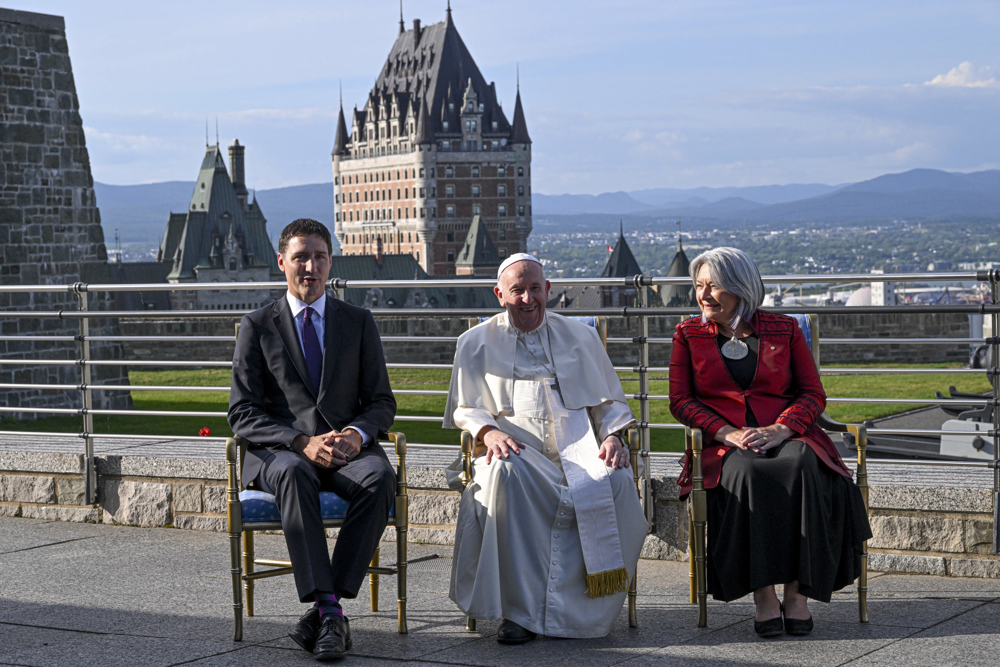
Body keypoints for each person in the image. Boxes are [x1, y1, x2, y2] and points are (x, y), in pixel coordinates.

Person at [444, 253, 648, 643]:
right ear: (499, 294)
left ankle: (585, 612)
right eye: (516, 290)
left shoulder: (582, 337)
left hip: (580, 449)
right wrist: (488, 433)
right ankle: (518, 614)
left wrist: (612, 437)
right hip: (517, 450)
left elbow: (609, 404)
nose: (527, 299)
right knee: (504, 473)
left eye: (534, 288)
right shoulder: (474, 343)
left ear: (548, 290)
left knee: (617, 480)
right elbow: (466, 407)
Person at [669, 247, 871, 638]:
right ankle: (764, 595)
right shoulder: (688, 334)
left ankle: (797, 595)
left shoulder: (785, 329)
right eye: (699, 286)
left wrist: (781, 428)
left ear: (740, 288)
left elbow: (812, 394)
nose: (704, 295)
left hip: (787, 433)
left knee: (802, 466)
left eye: (714, 287)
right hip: (726, 443)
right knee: (746, 473)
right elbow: (680, 401)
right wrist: (727, 432)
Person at [228, 218, 396, 661]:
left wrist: (359, 436)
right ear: (281, 262)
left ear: (330, 262)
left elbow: (381, 401)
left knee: (381, 476)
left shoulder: (358, 322)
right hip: (283, 453)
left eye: (320, 257)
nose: (311, 267)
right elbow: (241, 412)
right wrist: (300, 442)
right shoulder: (258, 326)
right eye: (301, 257)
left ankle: (325, 610)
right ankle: (330, 611)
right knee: (294, 473)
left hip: (347, 452)